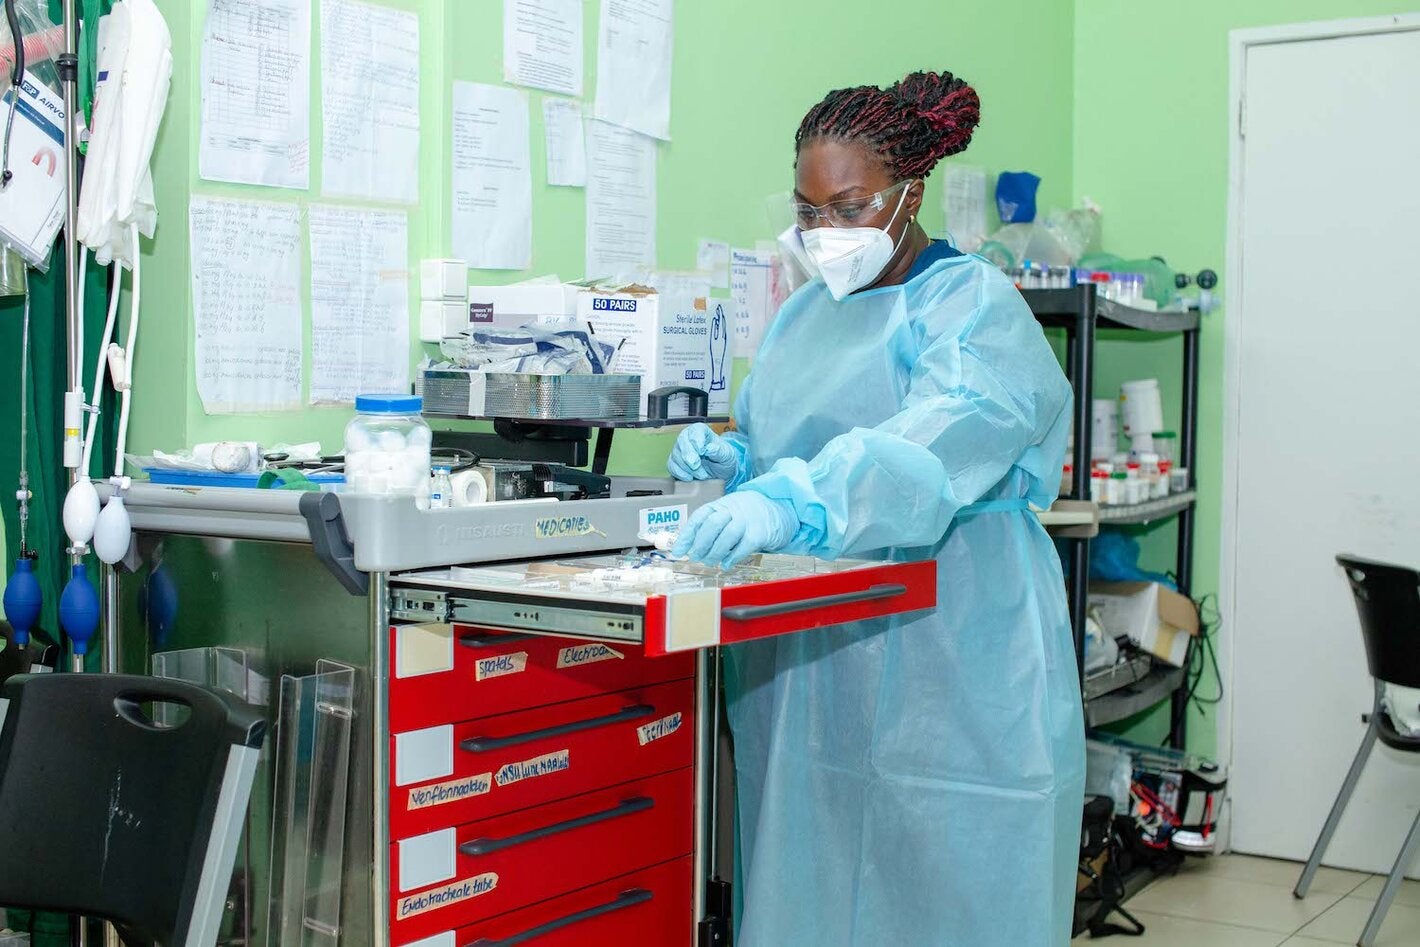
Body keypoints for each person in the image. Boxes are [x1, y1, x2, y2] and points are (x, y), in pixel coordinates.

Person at [667, 70, 1085, 945]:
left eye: (849, 206)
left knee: (950, 884)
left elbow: (922, 454)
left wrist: (792, 498)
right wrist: (738, 463)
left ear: (909, 196)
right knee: (810, 872)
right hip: (812, 665)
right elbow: (789, 440)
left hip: (956, 647)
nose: (824, 232)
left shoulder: (973, 310)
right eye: (808, 208)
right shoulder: (801, 317)